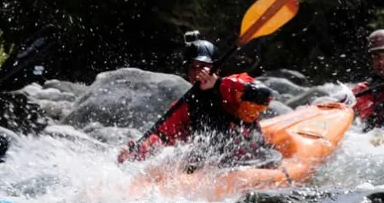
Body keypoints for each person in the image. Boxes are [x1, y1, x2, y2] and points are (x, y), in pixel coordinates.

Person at [118, 33, 277, 168]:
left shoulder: (232, 86)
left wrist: (217, 84)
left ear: (216, 68)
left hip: (250, 156)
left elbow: (264, 95)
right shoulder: (184, 105)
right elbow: (162, 137)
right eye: (193, 67)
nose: (197, 72)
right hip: (215, 165)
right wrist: (139, 150)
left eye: (203, 66)